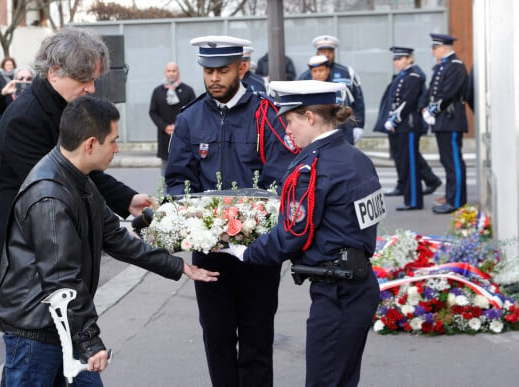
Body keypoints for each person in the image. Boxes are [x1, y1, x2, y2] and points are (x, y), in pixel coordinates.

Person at [0, 95, 219, 387]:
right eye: (112, 141)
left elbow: (115, 237)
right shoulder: (50, 195)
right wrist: (90, 342)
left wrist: (176, 266)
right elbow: (62, 279)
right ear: (90, 145)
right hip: (37, 329)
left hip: (61, 323)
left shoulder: (77, 176)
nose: (117, 148)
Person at [222, 80, 383, 387]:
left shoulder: (313, 166)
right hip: (359, 284)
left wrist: (245, 251)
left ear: (310, 118)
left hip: (336, 292)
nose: (286, 130)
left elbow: (293, 234)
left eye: (289, 120)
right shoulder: (357, 159)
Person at [166, 35, 299, 387]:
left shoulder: (267, 114)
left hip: (258, 252)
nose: (213, 79)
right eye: (208, 71)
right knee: (217, 340)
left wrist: (248, 225)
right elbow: (178, 180)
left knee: (256, 341)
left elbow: (282, 176)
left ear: (241, 67)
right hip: (210, 253)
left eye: (222, 70)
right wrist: (197, 222)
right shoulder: (189, 118)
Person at [0, 28, 152, 281]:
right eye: (84, 80)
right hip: (22, 250)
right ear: (54, 72)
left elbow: (83, 171)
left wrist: (127, 200)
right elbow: (64, 182)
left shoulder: (59, 106)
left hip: (44, 240)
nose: (91, 88)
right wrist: (114, 232)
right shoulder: (25, 118)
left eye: (94, 79)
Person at [373, 47, 442, 210]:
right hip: (402, 126)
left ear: (410, 58)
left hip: (409, 125)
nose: (397, 62)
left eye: (401, 58)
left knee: (410, 164)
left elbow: (407, 102)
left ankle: (413, 201)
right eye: (396, 59)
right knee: (404, 163)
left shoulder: (413, 76)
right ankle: (409, 198)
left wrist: (394, 120)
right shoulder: (403, 76)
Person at [421, 33, 468, 214]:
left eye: (435, 47)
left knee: (453, 161)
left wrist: (433, 110)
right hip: (443, 121)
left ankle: (456, 201)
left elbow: (448, 94)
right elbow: (433, 91)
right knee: (447, 160)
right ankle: (451, 195)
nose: (433, 51)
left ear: (443, 47)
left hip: (451, 119)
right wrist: (425, 109)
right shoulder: (443, 66)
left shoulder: (455, 66)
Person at [298, 35, 365, 144]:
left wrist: (359, 126)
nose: (326, 54)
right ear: (317, 53)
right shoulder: (305, 77)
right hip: (316, 128)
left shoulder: (347, 73)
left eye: (330, 51)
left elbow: (358, 101)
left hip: (344, 126)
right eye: (323, 51)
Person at [149, 62, 196, 177]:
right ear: (165, 73)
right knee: (165, 174)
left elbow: (194, 111)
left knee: (184, 173)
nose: (171, 73)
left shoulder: (188, 91)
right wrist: (165, 127)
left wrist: (179, 127)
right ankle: (165, 195)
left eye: (174, 71)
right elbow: (153, 112)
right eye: (169, 71)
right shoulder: (158, 91)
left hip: (183, 137)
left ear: (178, 72)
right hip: (165, 138)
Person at [307, 55, 356, 144]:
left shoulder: (339, 89)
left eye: (321, 70)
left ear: (328, 70)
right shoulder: (307, 91)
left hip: (340, 136)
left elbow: (345, 116)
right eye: (314, 71)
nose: (318, 73)